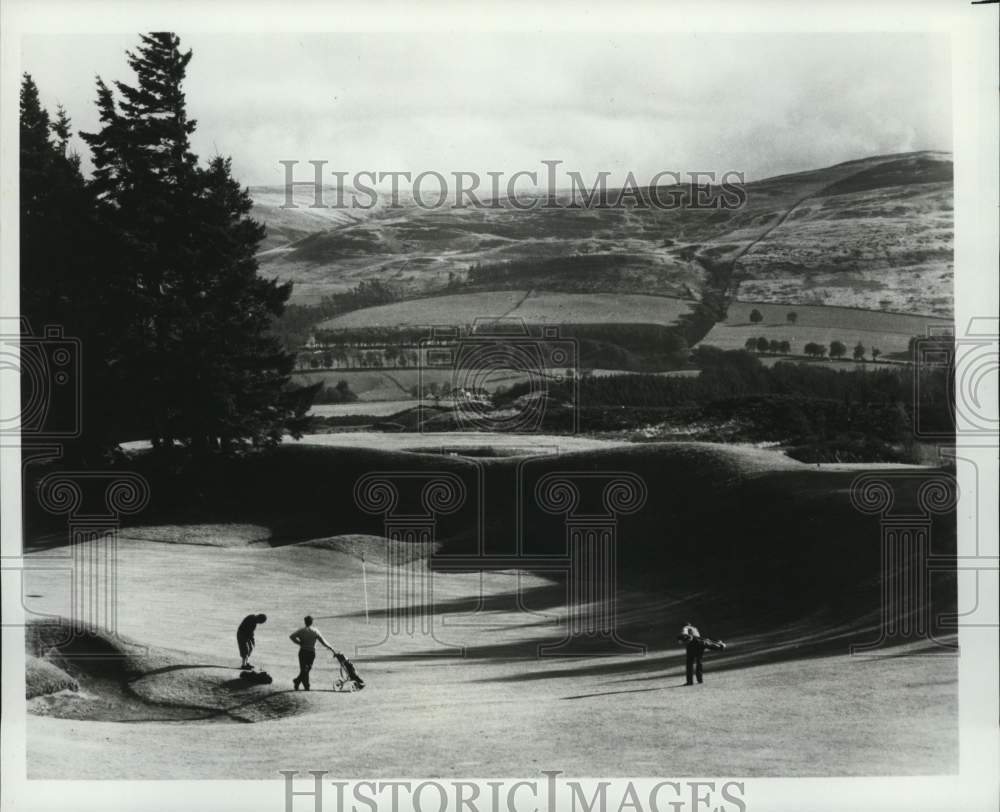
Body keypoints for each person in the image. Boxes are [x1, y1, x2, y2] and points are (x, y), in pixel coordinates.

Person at [289, 615, 336, 691]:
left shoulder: (301, 630)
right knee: (307, 668)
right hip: (311, 652)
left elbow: (291, 636)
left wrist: (299, 643)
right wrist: (330, 647)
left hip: (303, 651)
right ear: (312, 622)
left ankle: (298, 682)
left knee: (303, 669)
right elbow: (323, 641)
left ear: (305, 622)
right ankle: (305, 686)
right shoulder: (315, 631)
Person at [677, 621, 724, 686]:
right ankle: (700, 680)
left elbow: (684, 634)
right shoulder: (695, 628)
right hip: (701, 643)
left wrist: (682, 639)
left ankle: (690, 682)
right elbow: (698, 636)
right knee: (699, 662)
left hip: (692, 644)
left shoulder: (685, 627)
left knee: (689, 663)